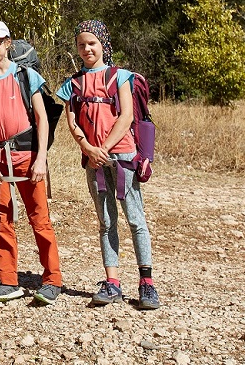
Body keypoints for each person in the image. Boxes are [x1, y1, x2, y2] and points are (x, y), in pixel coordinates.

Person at [55, 20, 160, 311]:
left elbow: (126, 117)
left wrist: (101, 148)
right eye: (81, 45)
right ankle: (112, 282)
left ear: (103, 44)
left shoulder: (120, 77)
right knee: (106, 221)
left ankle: (147, 283)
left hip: (122, 157)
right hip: (94, 160)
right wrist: (88, 149)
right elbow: (72, 122)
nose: (86, 49)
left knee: (136, 220)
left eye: (92, 43)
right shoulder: (72, 84)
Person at [0, 20, 62, 306]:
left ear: (8, 43)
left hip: (27, 158)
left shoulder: (27, 76)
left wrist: (41, 159)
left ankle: (52, 280)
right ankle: (7, 280)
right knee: (1, 220)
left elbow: (42, 119)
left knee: (40, 219)